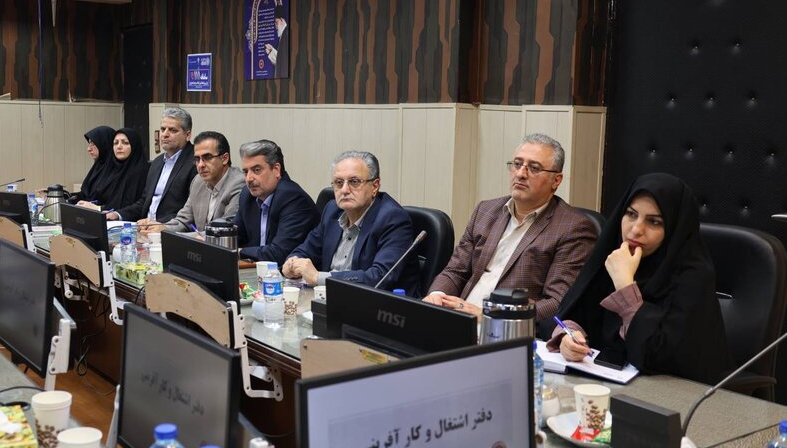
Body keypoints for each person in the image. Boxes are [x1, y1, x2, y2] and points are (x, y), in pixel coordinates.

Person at [540, 173, 733, 384]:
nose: (636, 229)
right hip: (600, 383)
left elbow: (661, 358)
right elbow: (571, 313)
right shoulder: (611, 256)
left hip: (668, 392)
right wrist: (568, 336)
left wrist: (625, 286)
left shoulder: (693, 277)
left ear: (673, 228)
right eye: (631, 214)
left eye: (654, 221)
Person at [424, 133, 597, 321]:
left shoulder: (573, 228)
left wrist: (489, 316)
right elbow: (455, 271)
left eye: (534, 168)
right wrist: (437, 296)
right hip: (459, 318)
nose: (521, 174)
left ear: (556, 180)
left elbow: (556, 302)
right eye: (517, 164)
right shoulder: (486, 211)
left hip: (508, 329)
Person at [282, 151, 418, 294]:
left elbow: (378, 277)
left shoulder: (393, 219)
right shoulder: (332, 210)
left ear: (375, 186)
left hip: (376, 303)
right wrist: (292, 262)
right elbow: (306, 249)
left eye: (354, 182)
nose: (345, 190)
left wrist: (318, 278)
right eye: (339, 183)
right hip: (330, 297)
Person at [141, 131, 244, 233]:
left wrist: (191, 238)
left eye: (207, 157)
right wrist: (162, 228)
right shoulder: (198, 181)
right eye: (197, 159)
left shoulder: (238, 184)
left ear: (225, 158)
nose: (200, 165)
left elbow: (225, 231)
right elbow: (183, 220)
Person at [107, 108, 197, 224]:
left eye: (172, 130)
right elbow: (144, 202)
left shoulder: (196, 162)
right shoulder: (157, 162)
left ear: (187, 135)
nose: (165, 134)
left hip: (170, 229)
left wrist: (160, 223)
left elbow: (191, 210)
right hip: (146, 227)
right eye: (163, 129)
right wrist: (118, 214)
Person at [235, 139, 318, 264]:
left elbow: (278, 254)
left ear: (276, 170)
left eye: (256, 170)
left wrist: (239, 252)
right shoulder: (248, 196)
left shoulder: (293, 198)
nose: (249, 179)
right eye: (246, 172)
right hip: (256, 270)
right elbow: (235, 237)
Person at [75, 128, 148, 213]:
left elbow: (135, 206)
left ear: (134, 145)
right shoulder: (114, 169)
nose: (119, 147)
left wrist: (99, 209)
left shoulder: (141, 171)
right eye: (115, 143)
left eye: (125, 143)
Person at [70, 125, 116, 205]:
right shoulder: (98, 166)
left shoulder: (117, 170)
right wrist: (62, 195)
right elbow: (86, 195)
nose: (89, 149)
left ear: (105, 144)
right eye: (89, 143)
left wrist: (97, 208)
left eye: (94, 144)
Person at [264, 5, 288, 78]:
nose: (275, 26)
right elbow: (281, 61)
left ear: (282, 20)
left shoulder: (286, 34)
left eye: (276, 22)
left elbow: (285, 63)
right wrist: (271, 51)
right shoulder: (283, 35)